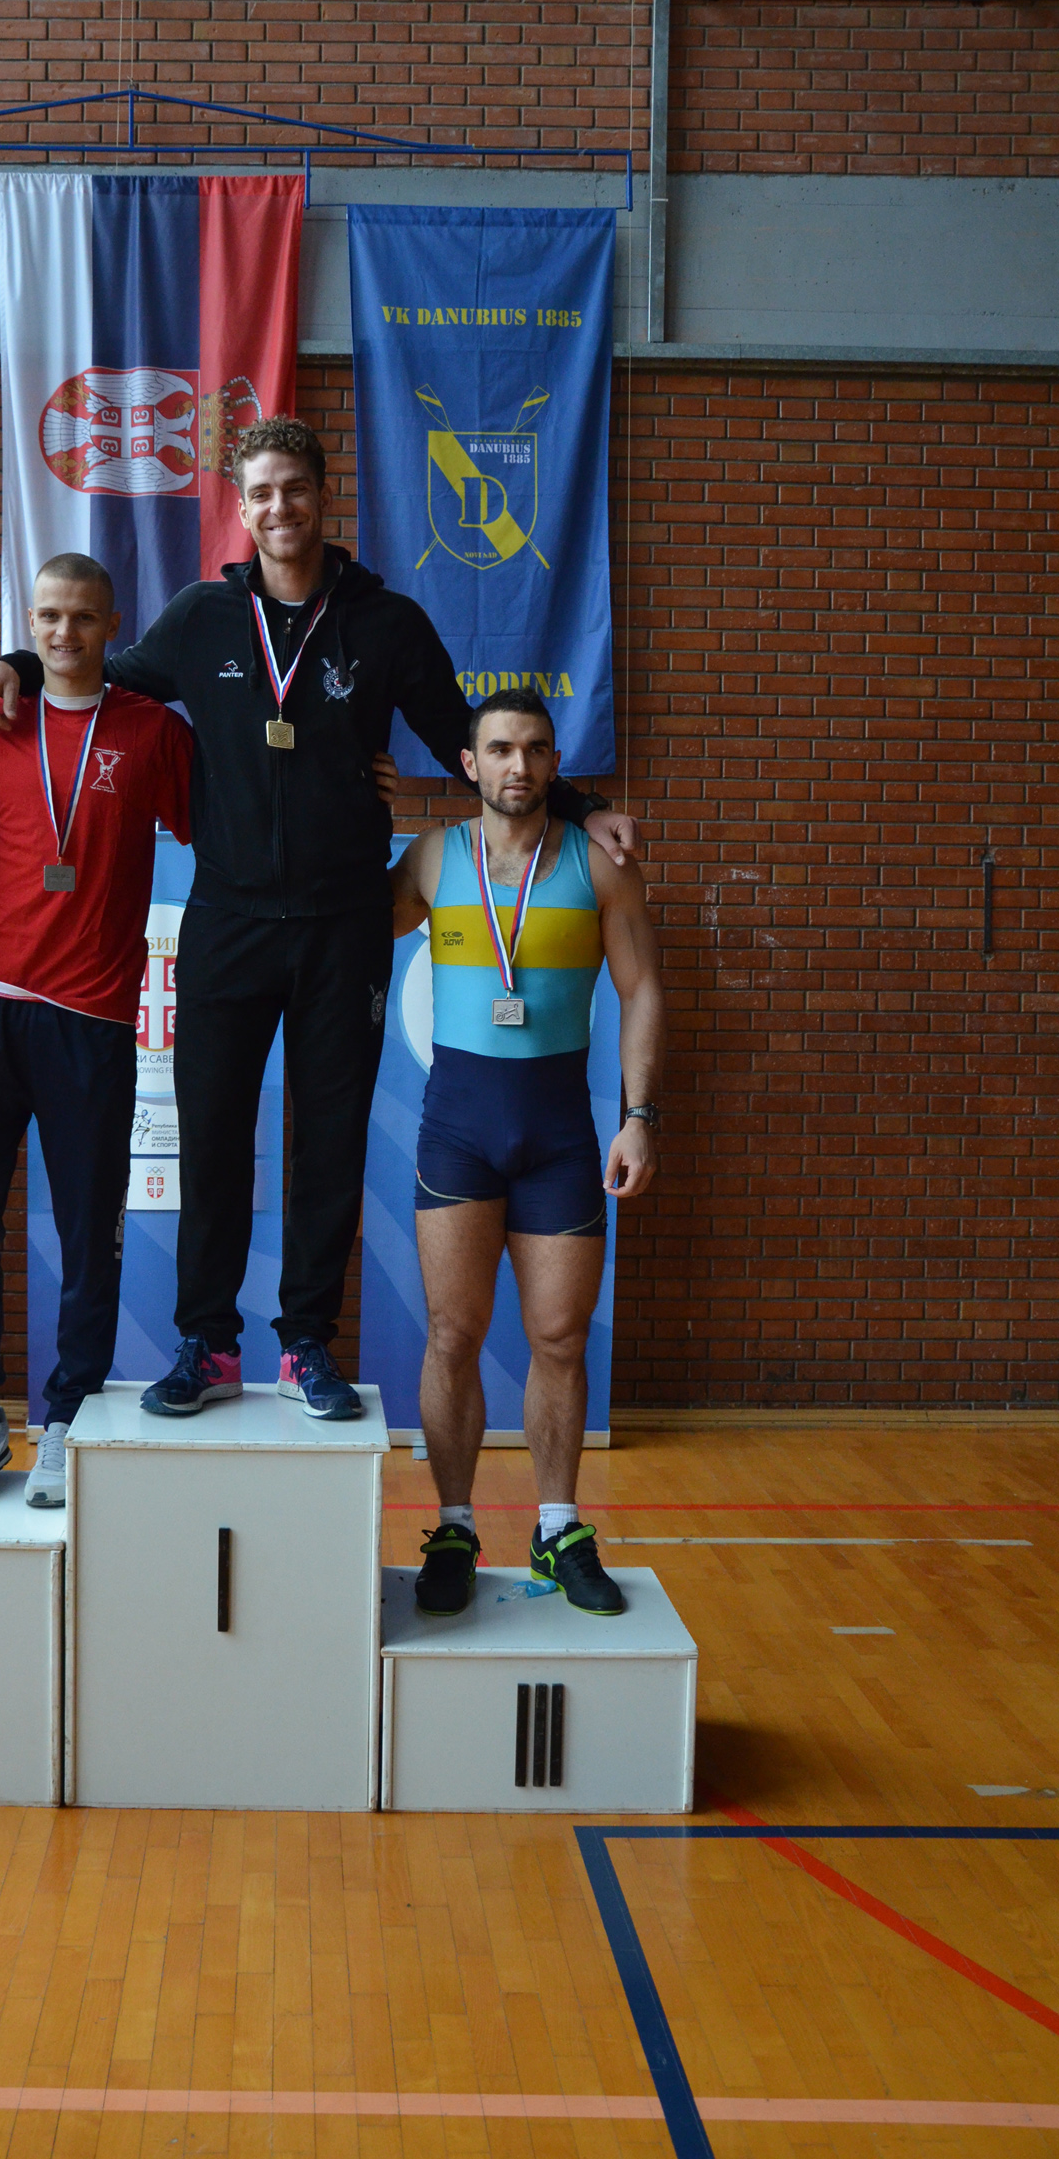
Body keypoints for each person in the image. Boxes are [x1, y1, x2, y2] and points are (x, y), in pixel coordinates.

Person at [0, 418, 638, 1422]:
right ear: (241, 509)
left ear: (324, 497)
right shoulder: (201, 618)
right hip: (229, 921)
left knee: (327, 1142)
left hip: (342, 923)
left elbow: (465, 737)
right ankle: (207, 1341)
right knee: (213, 1138)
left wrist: (583, 809)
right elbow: (103, 674)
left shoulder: (386, 623)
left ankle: (306, 1344)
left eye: (294, 488)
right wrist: (19, 664)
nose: (278, 507)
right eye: (261, 493)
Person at [388, 687, 665, 1618]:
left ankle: (557, 1525)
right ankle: (454, 1526)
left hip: (556, 1136)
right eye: (501, 749)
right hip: (457, 1133)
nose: (519, 765)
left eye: (536, 748)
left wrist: (639, 1116)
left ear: (555, 763)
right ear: (470, 763)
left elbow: (643, 990)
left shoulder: (599, 863)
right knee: (452, 1335)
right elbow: (345, 919)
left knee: (558, 1336)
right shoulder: (433, 858)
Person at [0, 554, 192, 1506]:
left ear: (114, 624)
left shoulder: (153, 730)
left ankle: (68, 1415)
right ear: (29, 620)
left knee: (89, 1231)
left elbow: (227, 826)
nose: (64, 633)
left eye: (83, 617)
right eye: (48, 616)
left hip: (92, 1016)